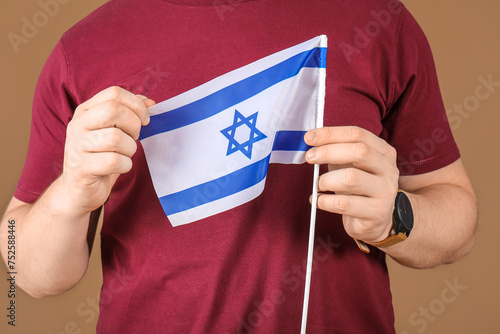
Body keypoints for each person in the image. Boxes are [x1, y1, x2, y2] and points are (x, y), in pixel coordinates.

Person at [0, 0, 477, 333]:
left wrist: (396, 216)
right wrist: (68, 194)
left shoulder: (380, 21)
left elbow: (458, 218)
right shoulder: (83, 49)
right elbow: (23, 266)